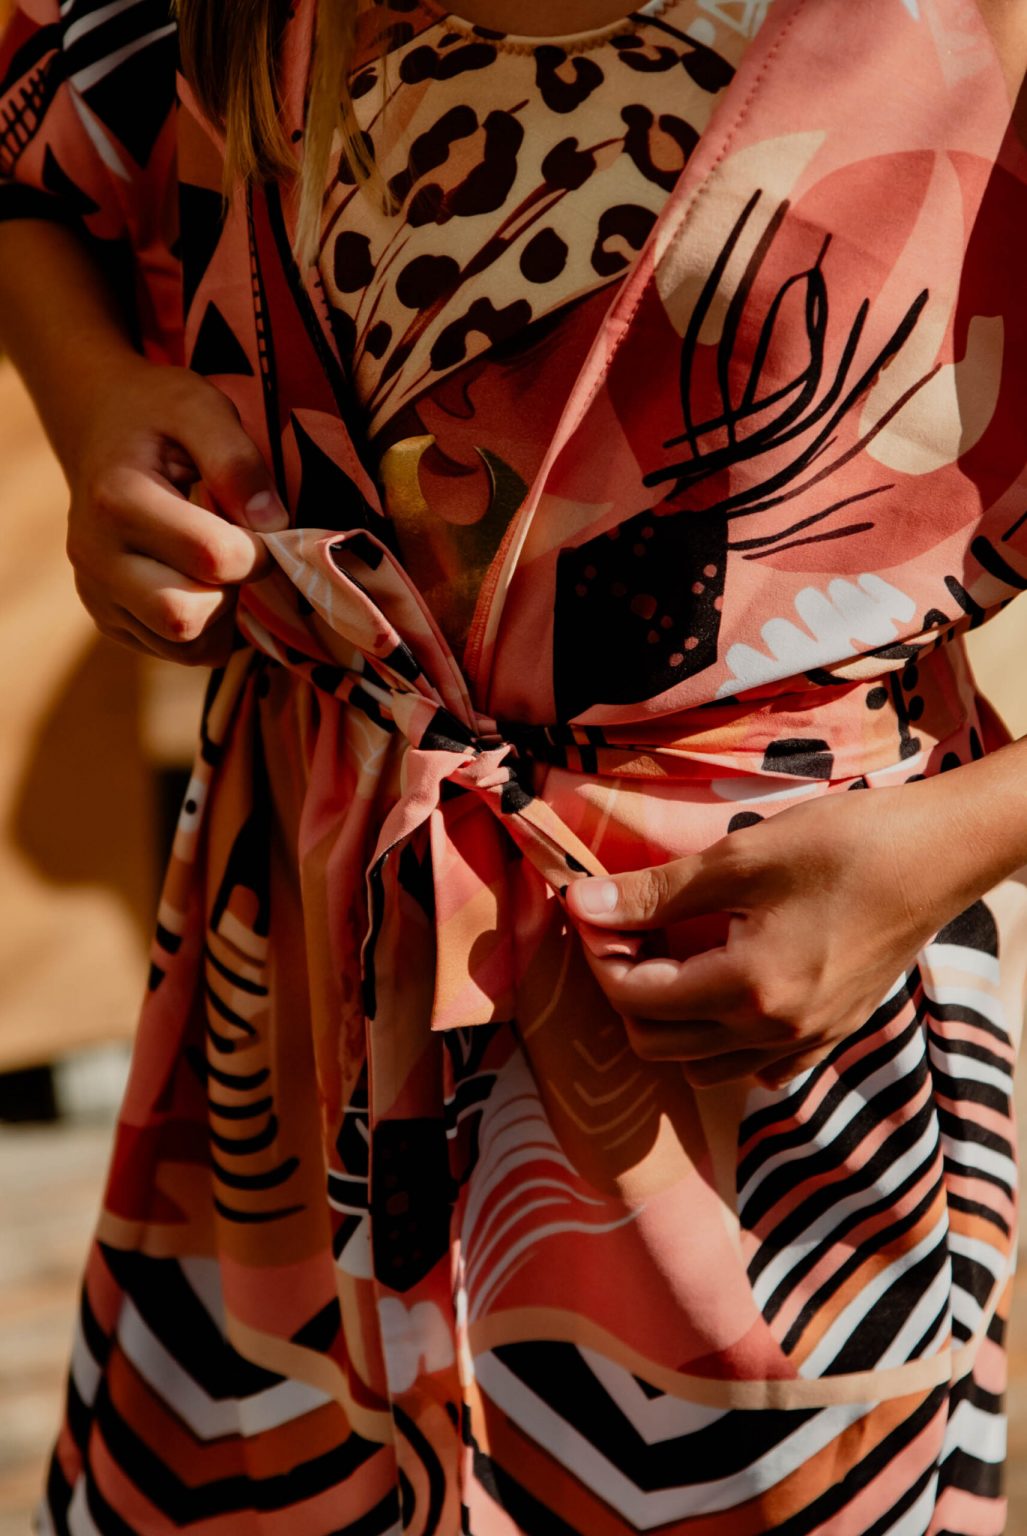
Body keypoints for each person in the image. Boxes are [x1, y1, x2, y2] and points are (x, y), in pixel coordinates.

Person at [1, 0, 1026, 1530]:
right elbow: (34, 140)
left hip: (754, 1050)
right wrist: (96, 404)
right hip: (287, 1023)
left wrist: (963, 837)